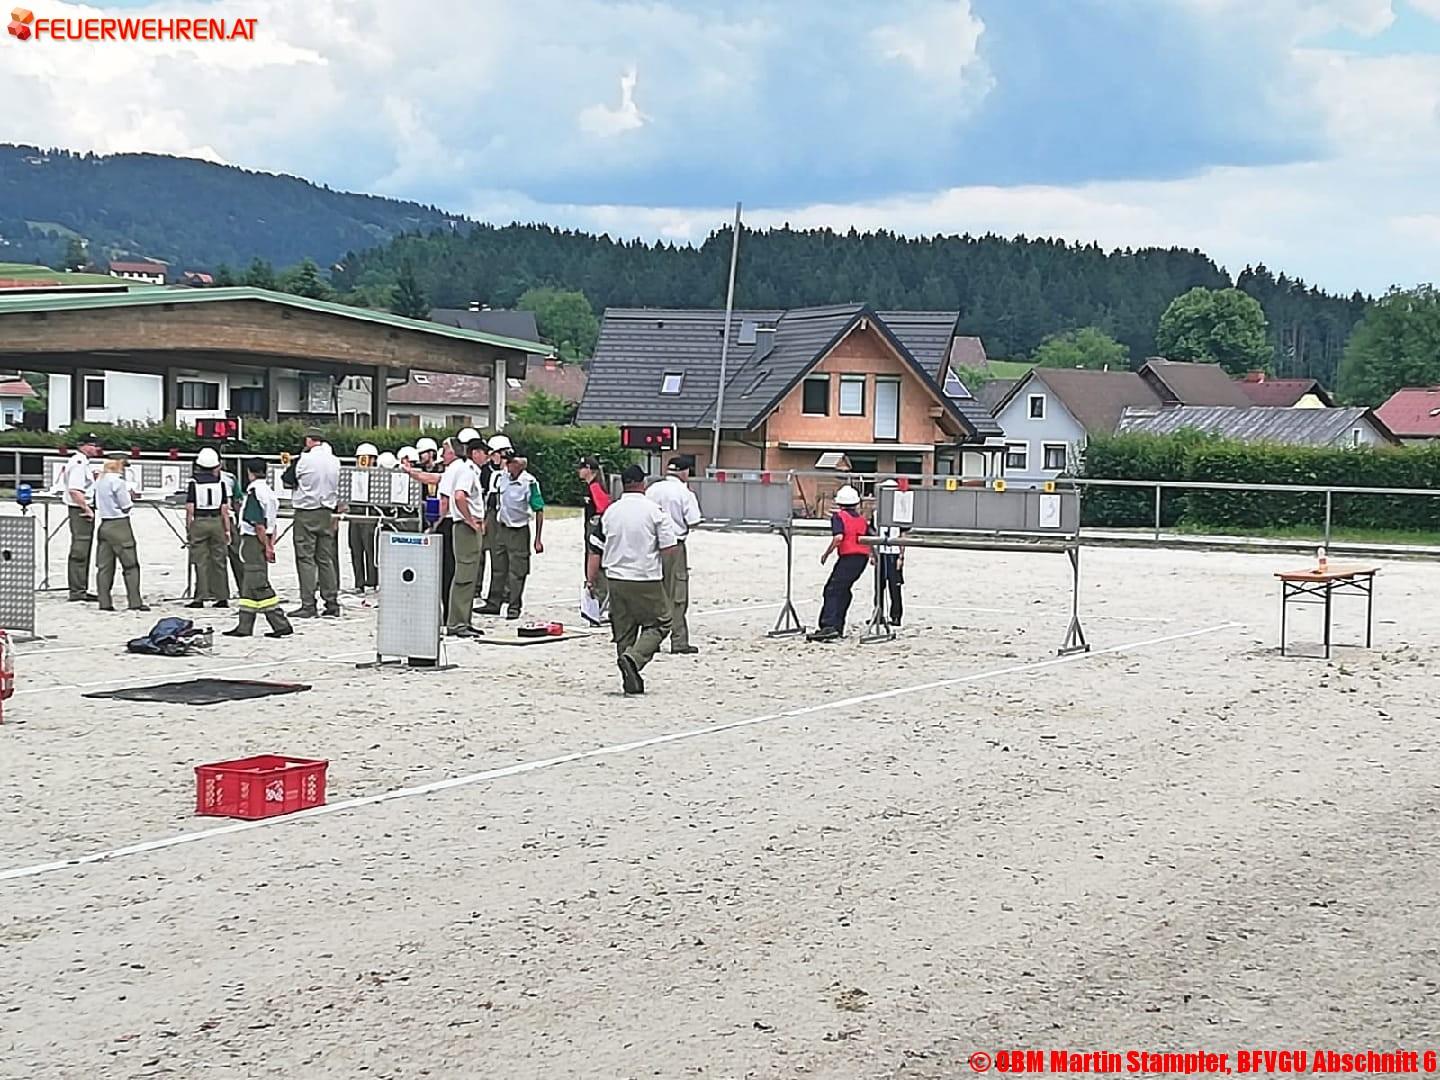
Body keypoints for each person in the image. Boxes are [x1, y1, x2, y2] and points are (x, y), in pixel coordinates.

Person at [590, 464, 677, 695]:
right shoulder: (654, 511)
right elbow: (669, 548)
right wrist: (666, 576)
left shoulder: (611, 511)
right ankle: (634, 659)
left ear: (623, 484)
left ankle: (630, 678)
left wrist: (590, 581)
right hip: (645, 576)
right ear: (643, 483)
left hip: (615, 578)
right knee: (660, 622)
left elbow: (595, 549)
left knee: (624, 629)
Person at [224, 458, 294, 639]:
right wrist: (271, 543)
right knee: (248, 586)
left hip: (254, 541)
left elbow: (258, 524)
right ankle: (244, 625)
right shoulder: (270, 493)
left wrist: (267, 547)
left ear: (250, 473)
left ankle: (280, 624)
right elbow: (272, 523)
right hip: (265, 538)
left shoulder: (255, 492)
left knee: (259, 583)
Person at [477, 450, 544, 620]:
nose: (507, 465)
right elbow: (494, 502)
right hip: (501, 527)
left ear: (520, 464)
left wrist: (538, 539)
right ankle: (494, 603)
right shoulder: (501, 478)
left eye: (510, 462)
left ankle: (514, 606)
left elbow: (539, 510)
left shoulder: (529, 482)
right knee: (498, 567)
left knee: (517, 571)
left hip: (518, 530)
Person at [646, 454, 703, 655]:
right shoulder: (684, 493)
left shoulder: (652, 489)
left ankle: (651, 638)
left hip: (652, 545)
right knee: (678, 593)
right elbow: (694, 520)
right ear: (685, 472)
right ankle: (678, 640)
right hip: (676, 544)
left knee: (656, 591)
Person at [807, 484, 871, 643]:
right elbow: (870, 538)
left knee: (832, 590)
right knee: (844, 590)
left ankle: (829, 626)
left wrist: (826, 553)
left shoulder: (839, 517)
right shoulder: (862, 520)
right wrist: (873, 556)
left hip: (848, 557)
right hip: (861, 558)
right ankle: (838, 625)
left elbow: (839, 537)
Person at [290, 429, 341, 618]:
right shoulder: (334, 460)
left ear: (309, 440)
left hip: (306, 511)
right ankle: (331, 602)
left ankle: (308, 603)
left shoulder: (304, 459)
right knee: (325, 559)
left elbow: (290, 478)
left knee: (305, 558)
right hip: (326, 511)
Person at [93, 456, 150, 612]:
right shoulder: (118, 482)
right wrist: (131, 497)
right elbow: (125, 506)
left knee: (104, 566)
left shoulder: (100, 481)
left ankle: (104, 602)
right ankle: (134, 602)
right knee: (130, 565)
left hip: (104, 523)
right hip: (119, 524)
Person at [443, 439, 486, 637]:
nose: (486, 456)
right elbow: (460, 496)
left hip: (468, 526)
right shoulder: (467, 471)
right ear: (475, 452)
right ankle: (457, 622)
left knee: (470, 575)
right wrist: (470, 520)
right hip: (465, 527)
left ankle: (464, 620)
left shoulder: (468, 470)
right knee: (464, 575)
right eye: (483, 452)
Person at [185, 446, 232, 609]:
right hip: (217, 521)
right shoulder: (222, 483)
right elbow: (225, 510)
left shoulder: (193, 483)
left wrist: (188, 528)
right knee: (219, 560)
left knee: (200, 560)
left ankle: (201, 597)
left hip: (200, 520)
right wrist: (227, 529)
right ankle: (222, 596)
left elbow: (190, 508)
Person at [62, 432, 103, 602]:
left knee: (83, 548)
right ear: (83, 445)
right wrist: (85, 508)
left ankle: (80, 588)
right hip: (79, 509)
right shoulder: (79, 463)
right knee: (80, 549)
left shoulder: (83, 462)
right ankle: (77, 590)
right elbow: (75, 490)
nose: (96, 448)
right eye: (93, 445)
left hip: (81, 507)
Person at [479, 433, 513, 604]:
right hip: (490, 512)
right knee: (485, 552)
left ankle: (505, 590)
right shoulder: (486, 471)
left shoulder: (511, 471)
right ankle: (481, 588)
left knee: (502, 555)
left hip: (505, 514)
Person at [346, 442, 380, 594]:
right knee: (355, 548)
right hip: (355, 514)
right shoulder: (353, 475)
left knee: (370, 549)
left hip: (370, 514)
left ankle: (372, 581)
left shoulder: (379, 476)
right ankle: (358, 582)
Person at [873, 479, 906, 627]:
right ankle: (878, 614)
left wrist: (901, 556)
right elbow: (872, 533)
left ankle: (896, 616)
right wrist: (872, 553)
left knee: (895, 587)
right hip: (881, 552)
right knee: (879, 587)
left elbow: (903, 535)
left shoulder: (900, 511)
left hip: (893, 552)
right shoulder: (876, 513)